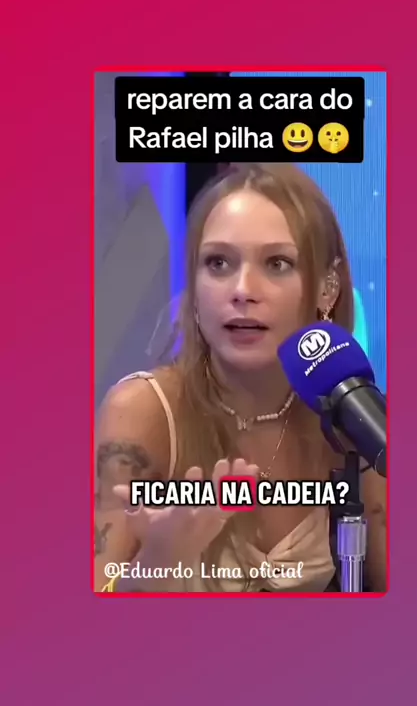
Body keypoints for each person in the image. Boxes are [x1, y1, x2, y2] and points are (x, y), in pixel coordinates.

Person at [95, 163, 387, 593]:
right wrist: (160, 560)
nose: (243, 290)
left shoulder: (353, 417)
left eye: (277, 263)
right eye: (218, 263)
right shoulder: (142, 412)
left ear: (327, 288)